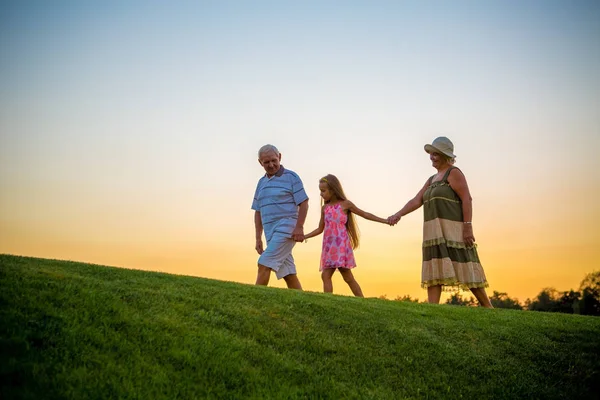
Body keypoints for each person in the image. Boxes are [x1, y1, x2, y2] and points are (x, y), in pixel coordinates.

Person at [388, 137, 493, 308]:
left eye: (435, 153)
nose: (431, 157)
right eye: (431, 153)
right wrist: (398, 214)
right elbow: (417, 200)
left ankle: (488, 306)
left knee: (465, 261)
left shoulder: (454, 173)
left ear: (445, 155)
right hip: (434, 230)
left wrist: (468, 226)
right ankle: (433, 309)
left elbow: (467, 199)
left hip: (454, 229)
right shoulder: (431, 180)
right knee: (434, 262)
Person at [304, 174, 390, 297]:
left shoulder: (345, 204)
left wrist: (385, 221)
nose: (321, 194)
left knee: (335, 276)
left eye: (323, 191)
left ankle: (352, 301)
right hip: (329, 247)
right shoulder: (325, 208)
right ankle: (352, 300)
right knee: (339, 276)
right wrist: (304, 236)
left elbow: (364, 214)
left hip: (340, 247)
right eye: (320, 191)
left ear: (333, 190)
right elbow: (320, 229)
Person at [251, 144, 308, 290]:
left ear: (280, 157)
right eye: (266, 162)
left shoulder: (291, 177)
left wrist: (299, 227)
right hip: (271, 233)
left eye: (273, 160)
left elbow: (304, 202)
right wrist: (258, 237)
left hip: (287, 228)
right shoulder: (261, 183)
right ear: (260, 162)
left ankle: (254, 301)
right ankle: (302, 303)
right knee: (288, 272)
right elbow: (258, 211)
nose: (271, 165)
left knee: (264, 263)